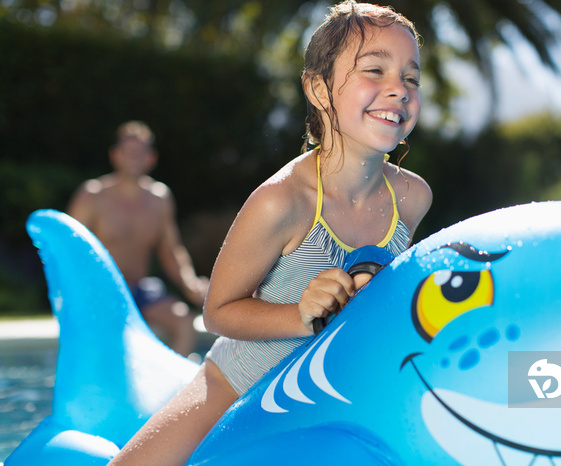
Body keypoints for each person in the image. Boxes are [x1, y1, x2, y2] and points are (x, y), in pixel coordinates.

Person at [108, 2, 432, 464]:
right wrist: (301, 314)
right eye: (375, 70)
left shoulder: (413, 199)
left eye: (411, 78)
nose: (398, 89)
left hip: (328, 395)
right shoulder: (284, 201)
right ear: (319, 88)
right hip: (237, 388)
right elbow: (218, 311)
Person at [68, 121, 208, 357]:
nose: (133, 157)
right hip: (101, 289)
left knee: (184, 321)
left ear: (150, 158)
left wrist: (190, 283)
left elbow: (171, 250)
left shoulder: (160, 198)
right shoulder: (93, 195)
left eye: (139, 152)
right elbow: (69, 250)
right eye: (128, 151)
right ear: (115, 156)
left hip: (141, 290)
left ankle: (174, 392)